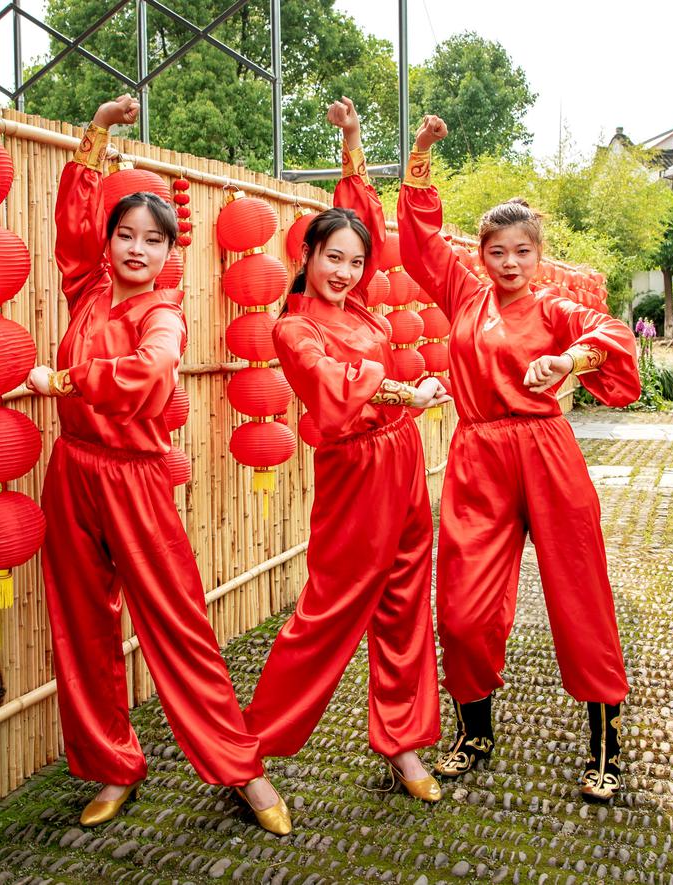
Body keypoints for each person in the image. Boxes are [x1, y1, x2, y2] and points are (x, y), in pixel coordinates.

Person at [27, 95, 288, 833]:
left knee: (178, 625)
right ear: (108, 243)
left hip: (135, 478)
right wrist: (98, 133)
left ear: (171, 252)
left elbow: (151, 373)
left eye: (153, 240)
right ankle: (113, 765)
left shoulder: (162, 312)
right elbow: (70, 226)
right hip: (71, 469)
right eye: (125, 235)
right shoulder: (86, 289)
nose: (137, 249)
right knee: (82, 624)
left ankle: (241, 768)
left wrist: (67, 380)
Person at [397, 114, 642, 804]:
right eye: (498, 251)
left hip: (546, 450)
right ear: (480, 254)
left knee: (579, 593)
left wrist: (569, 360)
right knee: (462, 608)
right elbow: (418, 244)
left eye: (522, 252)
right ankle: (474, 730)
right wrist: (421, 155)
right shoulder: (462, 295)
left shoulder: (554, 305)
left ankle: (604, 741)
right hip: (477, 454)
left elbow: (609, 333)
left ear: (538, 255)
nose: (509, 263)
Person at [242, 98, 451, 802]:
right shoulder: (293, 328)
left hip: (402, 457)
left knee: (405, 600)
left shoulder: (360, 308)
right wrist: (405, 391)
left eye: (356, 262)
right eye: (332, 257)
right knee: (328, 613)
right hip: (356, 469)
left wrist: (354, 138)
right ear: (305, 255)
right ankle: (249, 754)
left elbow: (359, 213)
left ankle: (403, 741)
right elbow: (333, 386)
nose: (346, 270)